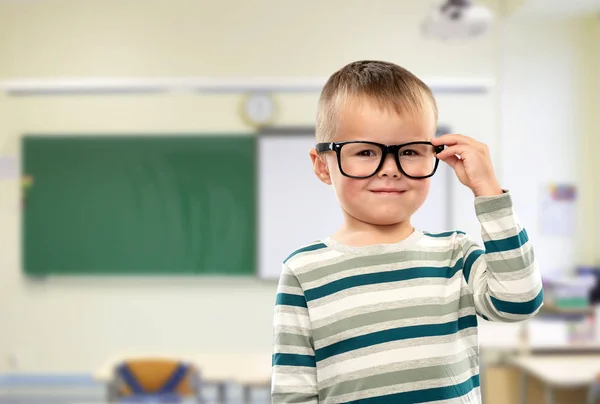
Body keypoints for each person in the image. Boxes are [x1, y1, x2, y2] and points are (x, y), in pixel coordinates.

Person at [271, 60, 543, 404]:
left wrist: (487, 189)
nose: (389, 169)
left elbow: (519, 303)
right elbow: (293, 393)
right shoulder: (303, 271)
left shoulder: (455, 254)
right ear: (323, 165)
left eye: (410, 152)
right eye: (366, 151)